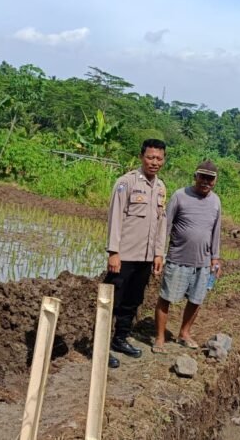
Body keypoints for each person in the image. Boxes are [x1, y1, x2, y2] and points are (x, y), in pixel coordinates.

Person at [104, 139, 168, 369]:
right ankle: (100, 347)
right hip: (125, 256)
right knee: (112, 301)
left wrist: (158, 254)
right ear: (142, 157)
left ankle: (120, 340)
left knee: (132, 302)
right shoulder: (126, 182)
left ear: (164, 160)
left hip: (146, 258)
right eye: (150, 157)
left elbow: (162, 224)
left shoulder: (160, 188)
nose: (154, 162)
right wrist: (113, 252)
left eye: (159, 158)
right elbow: (115, 218)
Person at [152, 160, 222, 354]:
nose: (206, 181)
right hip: (178, 258)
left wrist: (215, 258)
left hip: (203, 261)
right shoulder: (180, 196)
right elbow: (164, 227)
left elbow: (216, 231)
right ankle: (159, 338)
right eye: (203, 177)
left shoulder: (216, 201)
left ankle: (184, 332)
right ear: (195, 176)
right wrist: (159, 253)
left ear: (215, 181)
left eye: (210, 178)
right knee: (166, 297)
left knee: (196, 299)